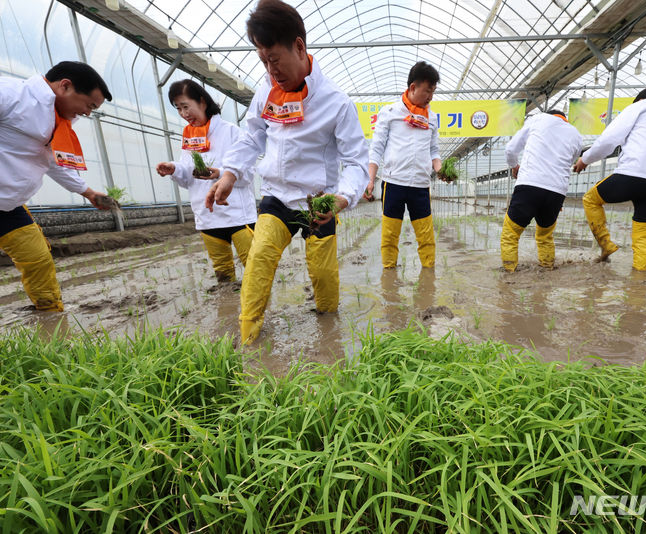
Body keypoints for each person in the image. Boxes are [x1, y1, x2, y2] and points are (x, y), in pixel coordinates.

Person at [205, 0, 369, 344]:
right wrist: (229, 174)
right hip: (277, 197)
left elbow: (356, 161)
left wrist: (340, 199)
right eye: (263, 60)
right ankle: (247, 338)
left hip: (318, 203)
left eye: (275, 59)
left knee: (324, 276)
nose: (270, 69)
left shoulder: (337, 102)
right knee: (260, 260)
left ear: (299, 46)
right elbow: (252, 136)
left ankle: (329, 332)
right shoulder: (266, 91)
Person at [0, 61, 112, 311]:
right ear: (65, 86)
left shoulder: (56, 122)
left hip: (8, 206)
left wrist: (88, 192)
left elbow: (53, 163)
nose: (88, 113)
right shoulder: (10, 94)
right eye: (89, 105)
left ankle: (50, 315)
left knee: (37, 259)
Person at [574, 86, 646, 271]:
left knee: (590, 199)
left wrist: (584, 160)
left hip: (632, 174)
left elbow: (609, 139)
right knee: (644, 235)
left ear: (640, 98)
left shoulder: (641, 106)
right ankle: (640, 284)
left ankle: (606, 245)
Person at [156, 79, 256, 283]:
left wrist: (220, 173)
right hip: (208, 216)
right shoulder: (190, 139)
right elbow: (188, 178)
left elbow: (249, 173)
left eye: (186, 106)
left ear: (202, 102)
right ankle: (227, 311)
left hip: (238, 215)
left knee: (255, 269)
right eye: (178, 108)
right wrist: (174, 169)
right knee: (223, 273)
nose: (184, 114)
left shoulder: (231, 132)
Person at [364, 61, 442, 269]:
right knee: (389, 235)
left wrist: (440, 169)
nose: (430, 97)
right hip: (393, 184)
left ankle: (429, 273)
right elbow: (377, 149)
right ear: (413, 88)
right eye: (427, 91)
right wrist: (370, 179)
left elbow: (434, 151)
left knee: (426, 236)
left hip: (420, 186)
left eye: (433, 91)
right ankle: (389, 276)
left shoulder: (432, 118)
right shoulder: (390, 113)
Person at [501, 110, 583, 271]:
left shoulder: (538, 119)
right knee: (545, 236)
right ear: (564, 119)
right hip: (557, 191)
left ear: (548, 115)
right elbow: (569, 160)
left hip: (530, 185)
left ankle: (508, 276)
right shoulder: (576, 135)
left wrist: (514, 166)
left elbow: (510, 150)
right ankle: (547, 272)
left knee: (511, 234)